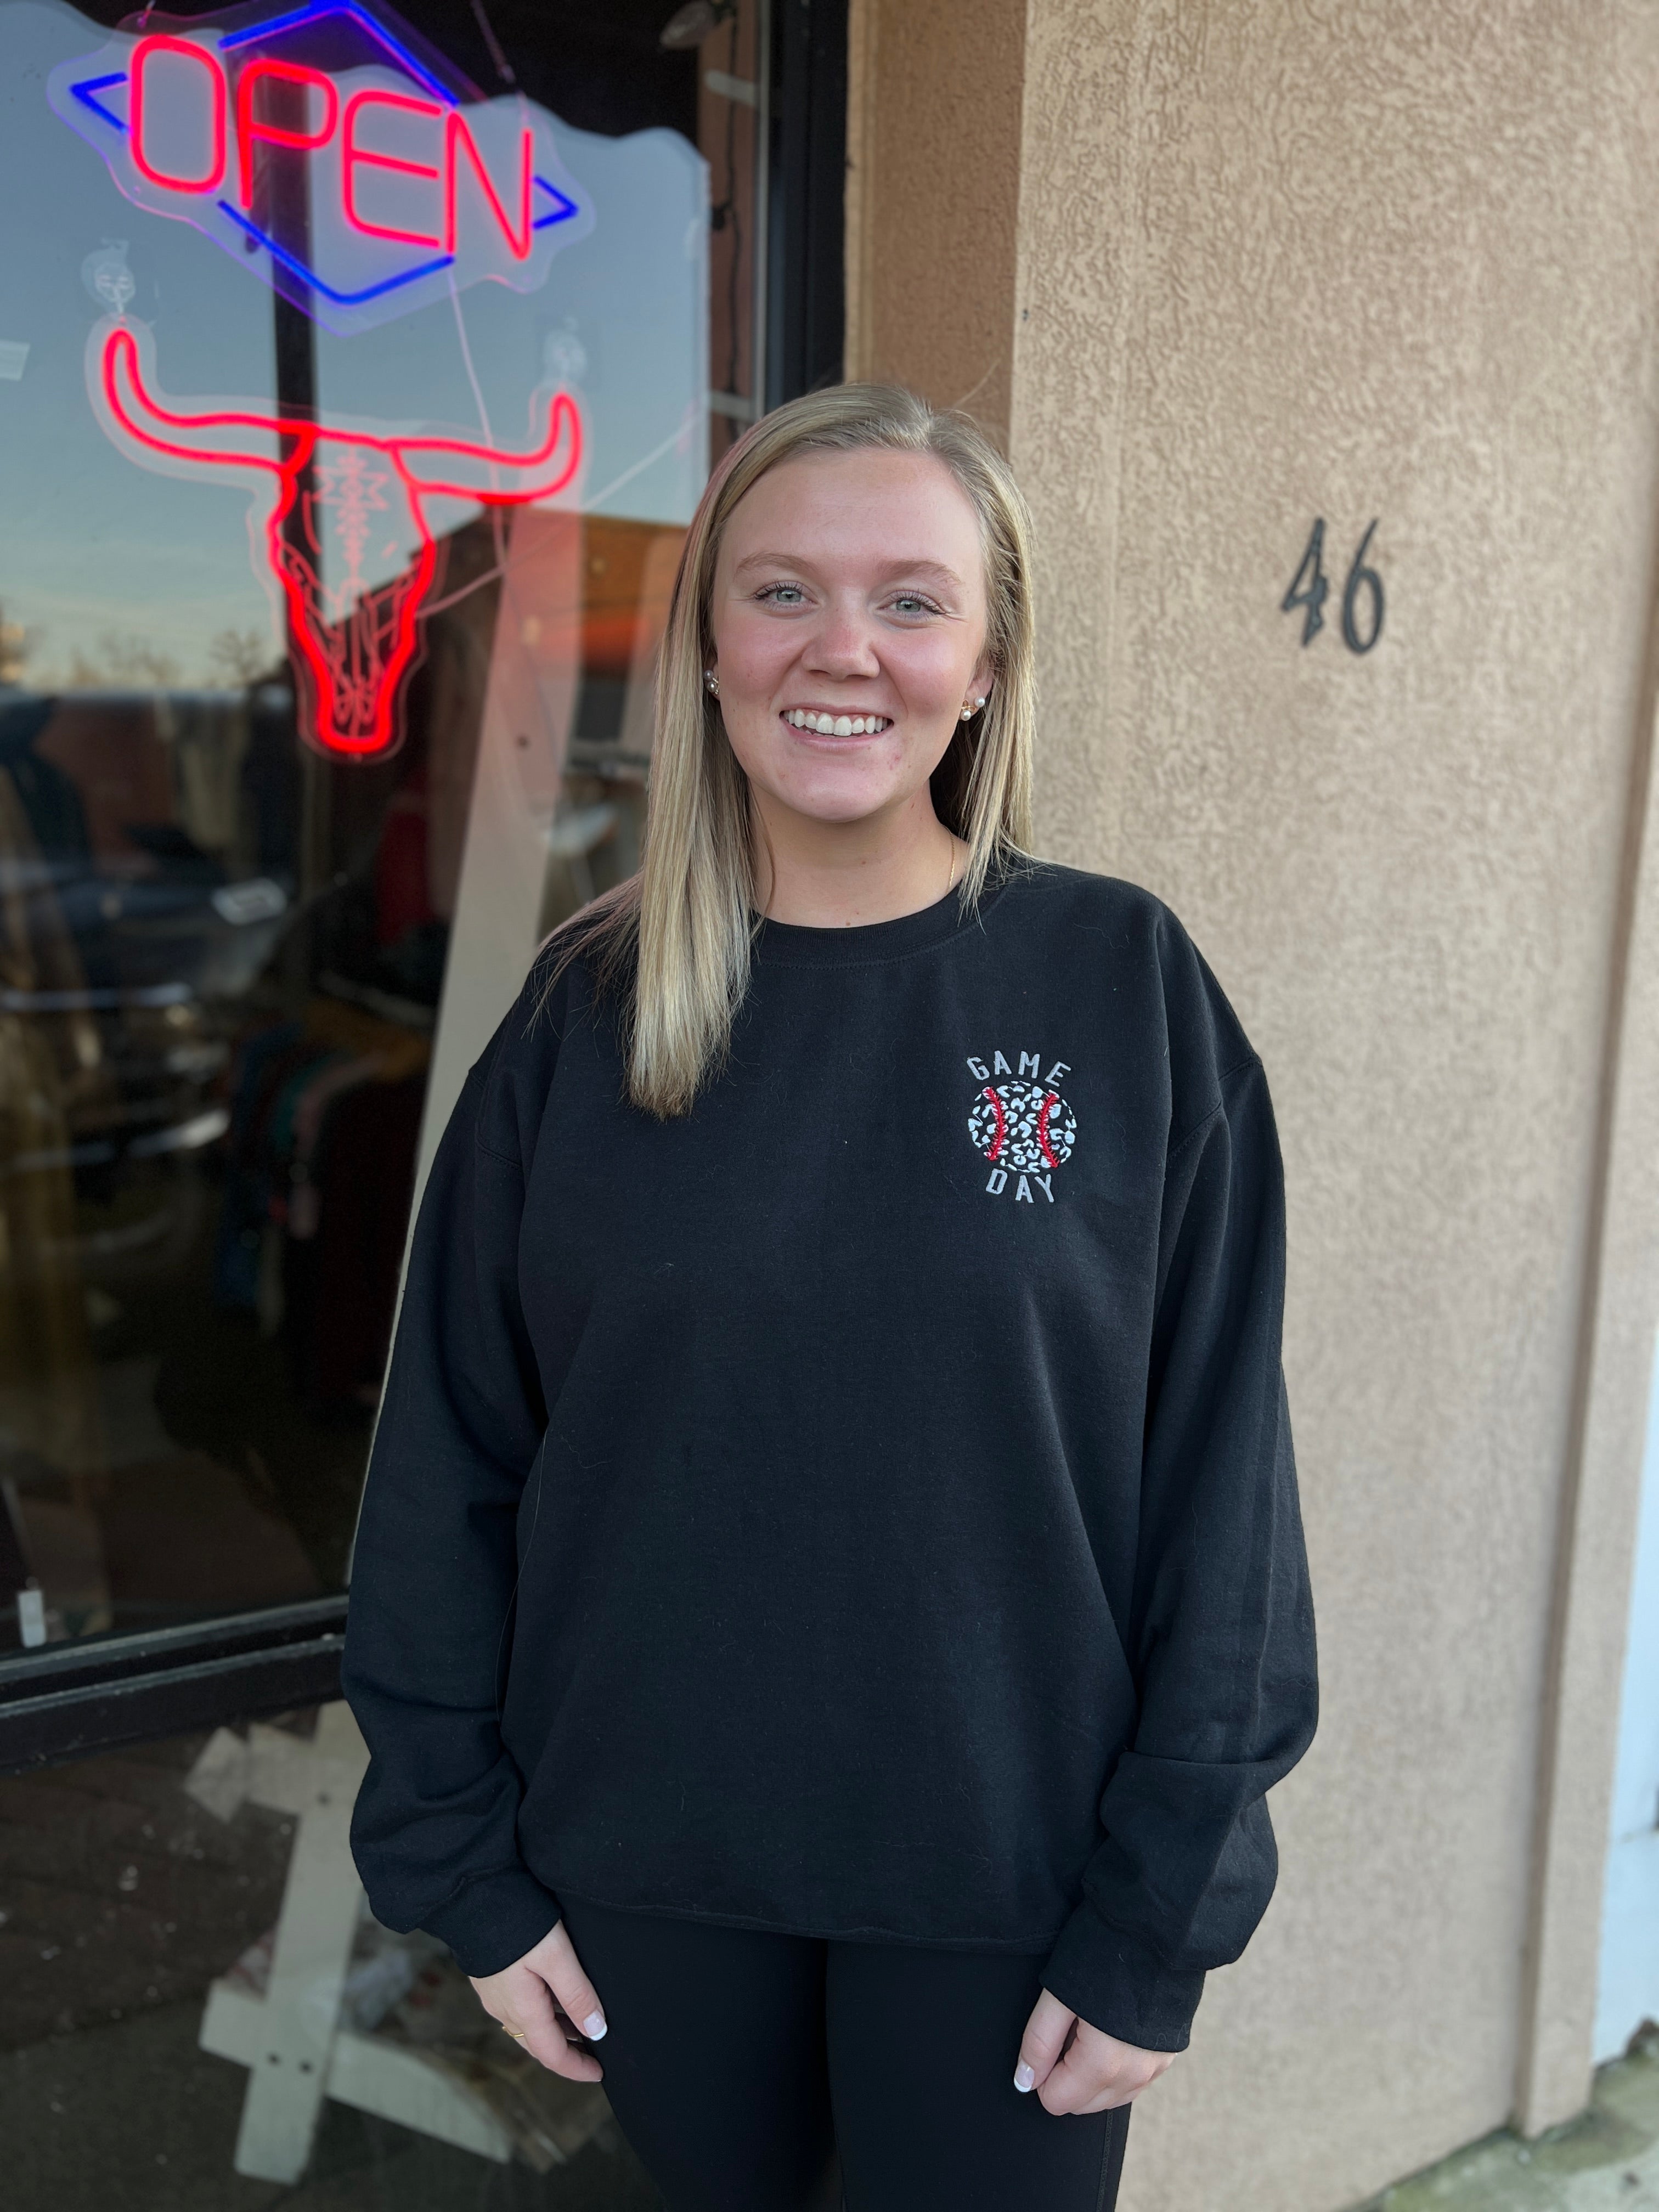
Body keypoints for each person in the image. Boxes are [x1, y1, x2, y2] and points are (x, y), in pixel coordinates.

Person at [342, 383, 1318, 2211]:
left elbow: (1225, 1497)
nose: (840, 648)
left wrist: (1162, 1914)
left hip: (1015, 1898)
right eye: (781, 593)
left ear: (990, 658)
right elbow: (449, 1465)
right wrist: (458, 1861)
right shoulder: (584, 1017)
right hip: (650, 1881)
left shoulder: (1123, 988)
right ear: (709, 647)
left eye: (911, 599)